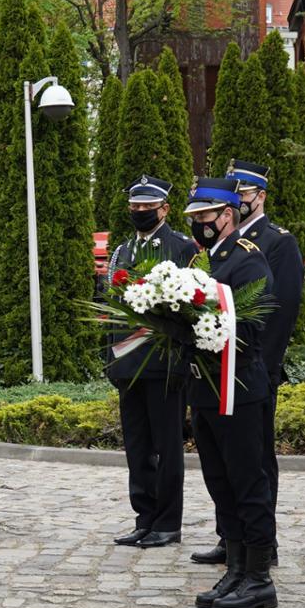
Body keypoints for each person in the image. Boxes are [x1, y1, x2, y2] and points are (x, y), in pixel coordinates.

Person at [189, 160, 305, 568]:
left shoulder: (269, 246)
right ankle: (233, 548)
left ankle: (258, 558)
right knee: (223, 474)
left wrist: (263, 369)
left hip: (245, 374)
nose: (199, 224)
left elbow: (276, 312)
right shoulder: (205, 258)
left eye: (243, 192)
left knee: (251, 469)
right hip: (212, 379)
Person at [182, 177, 277, 608]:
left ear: (227, 215)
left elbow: (253, 326)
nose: (199, 223)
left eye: (205, 215)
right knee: (220, 483)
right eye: (194, 217)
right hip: (204, 389)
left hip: (237, 389)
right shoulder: (202, 261)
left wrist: (200, 328)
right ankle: (235, 569)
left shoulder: (247, 259)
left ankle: (258, 578)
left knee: (247, 483)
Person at [104, 176, 199, 549]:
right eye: (135, 206)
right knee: (137, 446)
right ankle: (144, 518)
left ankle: (168, 522)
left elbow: (193, 307)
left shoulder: (182, 248)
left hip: (164, 365)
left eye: (147, 206)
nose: (140, 212)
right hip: (128, 363)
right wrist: (111, 359)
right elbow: (112, 310)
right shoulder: (122, 251)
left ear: (165, 209)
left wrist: (183, 361)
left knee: (167, 446)